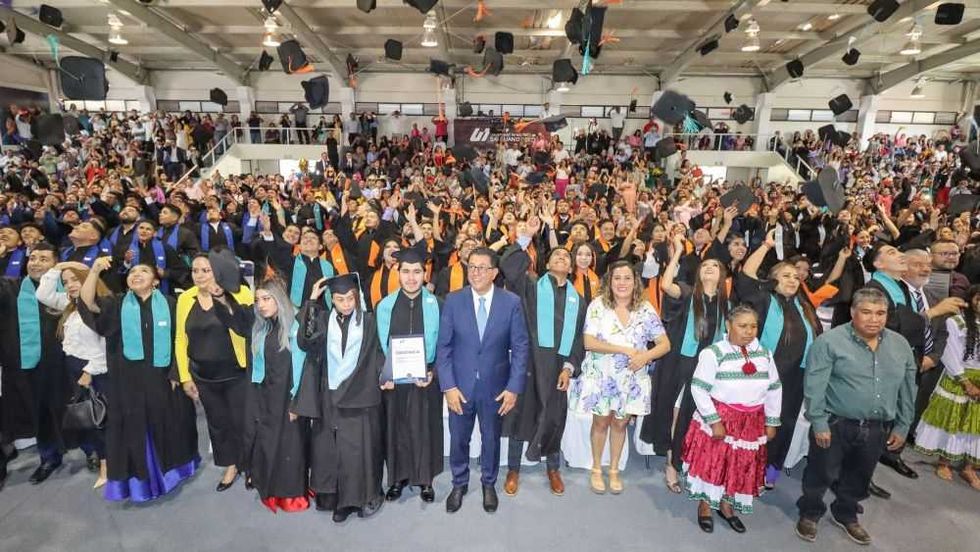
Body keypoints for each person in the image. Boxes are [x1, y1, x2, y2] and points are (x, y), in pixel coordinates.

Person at [795, 288, 917, 546]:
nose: (874, 319)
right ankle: (810, 511)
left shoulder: (900, 345)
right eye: (867, 312)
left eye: (880, 313)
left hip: (877, 427)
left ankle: (846, 513)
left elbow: (908, 388)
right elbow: (814, 386)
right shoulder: (830, 342)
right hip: (834, 424)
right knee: (821, 472)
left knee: (860, 474)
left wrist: (903, 425)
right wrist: (818, 422)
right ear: (853, 313)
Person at [79, 257, 200, 503]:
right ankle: (140, 481)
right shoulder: (116, 304)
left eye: (143, 271)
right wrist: (94, 271)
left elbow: (182, 340)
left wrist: (176, 372)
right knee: (132, 429)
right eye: (132, 271)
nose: (136, 274)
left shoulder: (171, 304)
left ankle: (175, 471)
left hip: (164, 378)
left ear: (155, 281)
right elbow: (87, 303)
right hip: (127, 381)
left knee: (170, 423)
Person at [437, 247, 530, 514]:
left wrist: (513, 388)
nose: (475, 273)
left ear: (494, 273)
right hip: (460, 386)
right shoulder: (453, 300)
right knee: (459, 438)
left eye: (482, 268)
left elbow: (520, 347)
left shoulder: (510, 302)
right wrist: (448, 386)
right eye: (471, 267)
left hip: (495, 387)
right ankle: (459, 482)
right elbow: (444, 347)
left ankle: (489, 482)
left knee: (491, 438)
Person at [568, 260, 670, 494]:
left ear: (635, 282)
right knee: (601, 422)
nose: (622, 283)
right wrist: (624, 350)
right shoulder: (598, 306)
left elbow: (664, 344)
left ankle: (613, 469)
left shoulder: (645, 308)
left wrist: (645, 356)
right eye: (617, 278)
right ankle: (596, 468)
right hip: (602, 376)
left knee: (620, 423)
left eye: (627, 278)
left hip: (631, 378)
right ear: (609, 281)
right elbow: (589, 342)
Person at [293, 273, 386, 522]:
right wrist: (313, 301)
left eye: (350, 298)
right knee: (330, 449)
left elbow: (378, 353)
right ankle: (336, 499)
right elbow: (305, 342)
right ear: (331, 299)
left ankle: (358, 499)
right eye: (339, 299)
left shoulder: (368, 321)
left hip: (360, 393)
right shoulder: (324, 320)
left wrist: (385, 374)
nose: (346, 304)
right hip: (330, 394)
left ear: (357, 297)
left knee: (357, 450)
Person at [214, 277, 311, 512]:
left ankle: (290, 494)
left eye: (267, 299)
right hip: (264, 393)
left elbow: (304, 368)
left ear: (279, 299)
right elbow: (234, 319)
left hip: (288, 395)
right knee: (266, 440)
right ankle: (268, 485)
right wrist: (221, 296)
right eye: (258, 300)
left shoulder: (296, 327)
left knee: (289, 445)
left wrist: (297, 401)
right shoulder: (262, 326)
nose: (261, 305)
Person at [642, 234, 729, 494]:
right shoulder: (689, 293)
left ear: (722, 275)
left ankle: (684, 456)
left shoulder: (726, 304)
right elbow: (666, 284)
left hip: (707, 366)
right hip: (679, 361)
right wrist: (678, 251)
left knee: (693, 414)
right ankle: (671, 460)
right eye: (705, 265)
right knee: (675, 410)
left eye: (715, 266)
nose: (709, 268)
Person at [682, 305, 781, 533]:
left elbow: (775, 388)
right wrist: (714, 420)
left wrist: (771, 420)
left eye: (753, 326)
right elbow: (698, 387)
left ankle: (726, 505)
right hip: (723, 418)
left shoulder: (765, 354)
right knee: (714, 462)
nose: (748, 331)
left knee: (739, 465)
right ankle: (705, 505)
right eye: (742, 326)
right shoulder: (714, 353)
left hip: (751, 421)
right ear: (728, 325)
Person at [498, 243, 586, 497]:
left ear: (571, 268)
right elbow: (509, 267)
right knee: (521, 415)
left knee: (554, 417)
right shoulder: (531, 287)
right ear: (547, 264)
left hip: (558, 367)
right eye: (556, 254)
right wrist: (524, 238)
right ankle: (513, 469)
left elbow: (579, 339)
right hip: (529, 363)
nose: (561, 257)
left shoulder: (578, 301)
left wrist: (569, 368)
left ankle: (553, 468)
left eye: (566, 256)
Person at [738, 228, 820, 489]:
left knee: (784, 424)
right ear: (773, 280)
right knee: (756, 423)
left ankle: (769, 468)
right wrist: (765, 245)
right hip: (762, 375)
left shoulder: (804, 306)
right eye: (786, 275)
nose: (793, 280)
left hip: (795, 379)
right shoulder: (763, 300)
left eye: (796, 276)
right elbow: (746, 276)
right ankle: (745, 468)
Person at [174, 254, 254, 492]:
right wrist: (185, 376)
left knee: (243, 422)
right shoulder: (185, 298)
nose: (199, 275)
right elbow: (180, 339)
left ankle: (251, 465)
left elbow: (249, 329)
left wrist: (223, 298)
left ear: (217, 272)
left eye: (206, 270)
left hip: (236, 372)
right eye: (195, 270)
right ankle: (230, 465)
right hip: (203, 376)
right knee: (218, 423)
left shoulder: (239, 293)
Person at [376, 249, 443, 503]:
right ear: (398, 272)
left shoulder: (438, 305)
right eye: (406, 271)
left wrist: (434, 372)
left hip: (426, 379)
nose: (411, 277)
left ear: (425, 274)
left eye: (417, 271)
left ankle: (425, 479)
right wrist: (383, 374)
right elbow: (375, 347)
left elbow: (446, 345)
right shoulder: (384, 306)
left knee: (424, 427)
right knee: (396, 428)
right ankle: (397, 478)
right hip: (394, 381)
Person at [36, 261, 111, 488]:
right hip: (73, 368)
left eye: (75, 279)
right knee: (89, 418)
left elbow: (107, 342)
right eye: (66, 282)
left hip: (95, 370)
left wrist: (90, 370)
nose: (70, 285)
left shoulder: (99, 304)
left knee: (101, 419)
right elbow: (43, 294)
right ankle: (105, 462)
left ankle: (107, 467)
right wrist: (59, 266)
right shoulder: (70, 304)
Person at [0, 243, 68, 484]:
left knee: (75, 407)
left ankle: (93, 451)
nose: (36, 263)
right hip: (29, 363)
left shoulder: (67, 286)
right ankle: (49, 456)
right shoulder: (12, 288)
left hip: (64, 361)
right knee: (40, 412)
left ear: (56, 263)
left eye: (43, 259)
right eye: (33, 258)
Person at [913, 284, 980, 489]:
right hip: (958, 377)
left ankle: (969, 467)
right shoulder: (956, 322)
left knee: (976, 425)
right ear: (971, 299)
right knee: (951, 419)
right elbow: (949, 352)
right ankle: (945, 462)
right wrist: (965, 382)